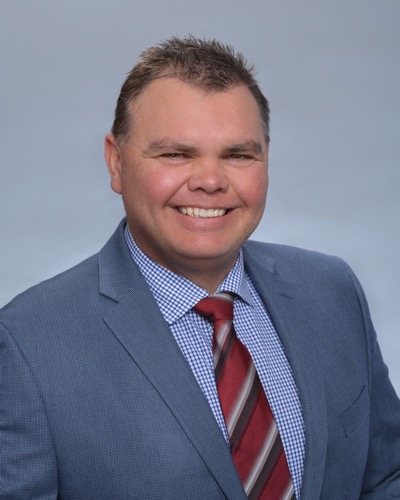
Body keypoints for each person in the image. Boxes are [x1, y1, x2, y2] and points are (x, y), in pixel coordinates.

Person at [1, 36, 399, 500]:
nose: (210, 181)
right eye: (176, 154)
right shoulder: (28, 345)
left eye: (238, 155)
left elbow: (386, 477)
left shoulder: (332, 290)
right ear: (116, 162)